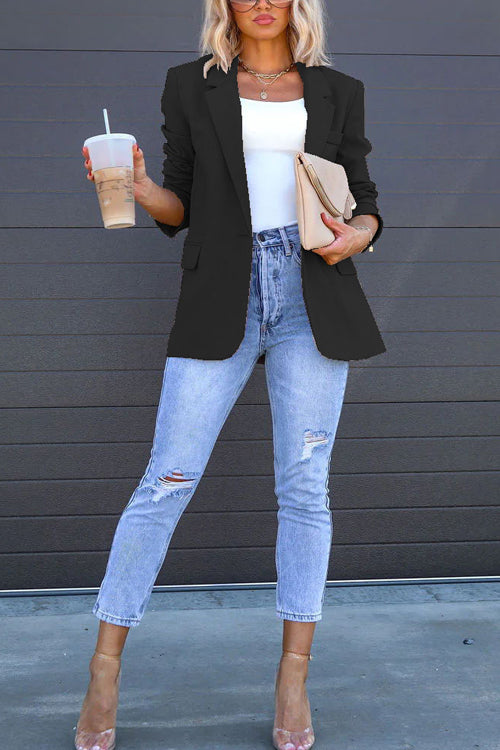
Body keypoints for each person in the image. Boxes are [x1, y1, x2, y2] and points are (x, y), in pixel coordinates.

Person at [76, 1, 385, 748]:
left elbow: (366, 201)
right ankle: (104, 670)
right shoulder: (191, 84)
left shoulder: (338, 91)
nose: (264, 1)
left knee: (305, 488)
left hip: (312, 290)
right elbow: (177, 205)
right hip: (224, 291)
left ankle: (293, 676)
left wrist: (358, 235)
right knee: (166, 479)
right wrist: (138, 184)